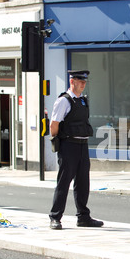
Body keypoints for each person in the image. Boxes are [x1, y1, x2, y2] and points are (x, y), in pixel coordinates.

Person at [49, 70, 103, 229]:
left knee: (83, 182)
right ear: (72, 81)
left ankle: (83, 217)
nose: (83, 84)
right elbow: (54, 125)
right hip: (68, 145)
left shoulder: (84, 101)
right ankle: (55, 217)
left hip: (82, 145)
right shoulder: (63, 101)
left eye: (85, 81)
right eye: (80, 81)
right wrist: (60, 142)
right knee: (64, 182)